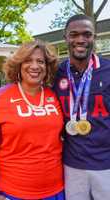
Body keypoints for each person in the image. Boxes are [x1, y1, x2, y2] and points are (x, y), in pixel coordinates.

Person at [0, 40, 65, 200]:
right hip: (12, 192)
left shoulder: (54, 95)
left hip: (55, 190)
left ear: (47, 66)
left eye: (40, 61)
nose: (35, 66)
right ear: (18, 65)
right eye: (28, 60)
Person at [53, 14, 110, 200]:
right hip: (72, 165)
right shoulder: (56, 74)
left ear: (95, 37)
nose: (80, 40)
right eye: (74, 34)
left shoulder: (108, 70)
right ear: (66, 38)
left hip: (106, 165)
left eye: (87, 34)